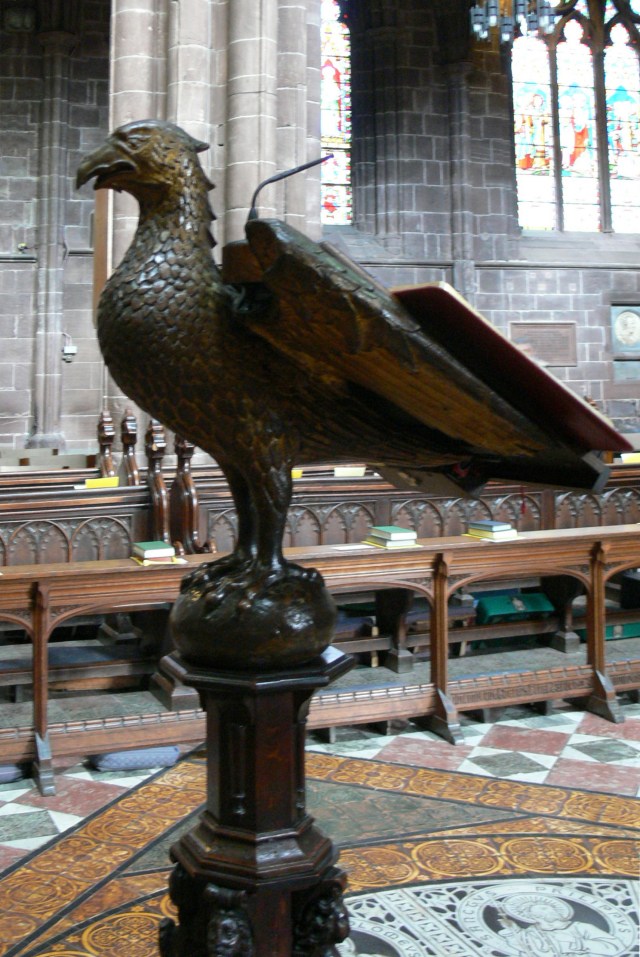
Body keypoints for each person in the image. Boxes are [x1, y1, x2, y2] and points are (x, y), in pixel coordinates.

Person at [497, 893, 620, 956]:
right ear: (534, 916)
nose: (552, 910)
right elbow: (524, 948)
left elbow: (614, 948)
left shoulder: (581, 927)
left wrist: (575, 941)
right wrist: (512, 929)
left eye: (551, 908)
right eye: (544, 909)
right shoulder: (531, 934)